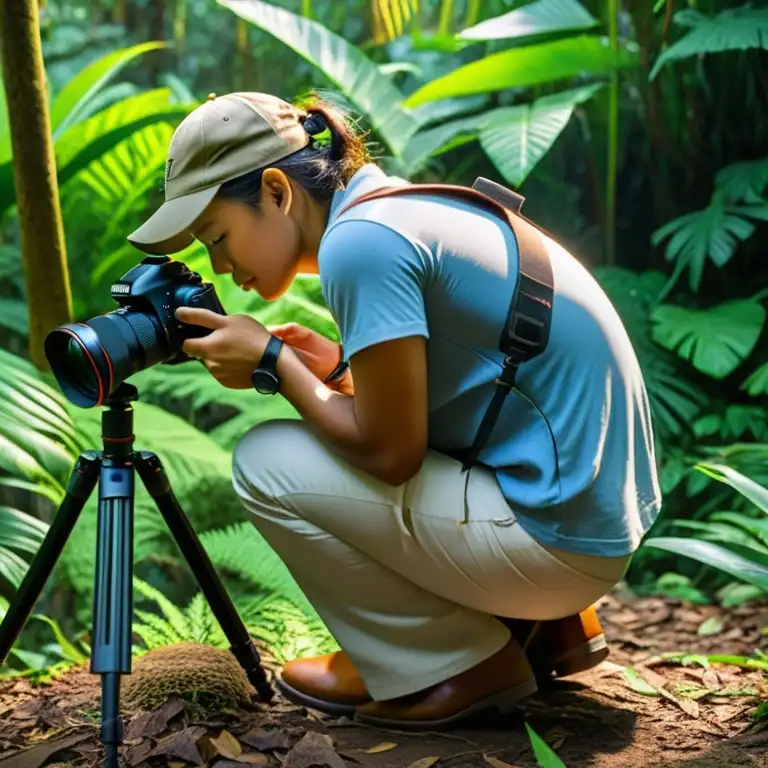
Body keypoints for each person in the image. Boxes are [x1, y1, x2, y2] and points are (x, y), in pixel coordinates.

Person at [125, 91, 661, 729]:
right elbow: (463, 383)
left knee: (265, 461)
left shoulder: (359, 248)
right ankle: (536, 632)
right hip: (588, 523)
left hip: (554, 545)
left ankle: (447, 662)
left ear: (276, 191)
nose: (220, 266)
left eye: (218, 237)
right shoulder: (398, 209)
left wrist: (276, 364)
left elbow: (391, 453)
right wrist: (335, 367)